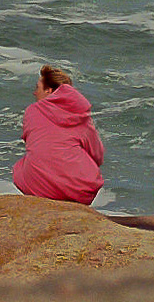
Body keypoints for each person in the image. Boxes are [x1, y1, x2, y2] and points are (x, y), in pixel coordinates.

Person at [12, 65, 105, 204]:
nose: (34, 93)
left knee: (18, 169)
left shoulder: (31, 111)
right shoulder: (80, 115)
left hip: (39, 186)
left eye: (37, 88)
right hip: (77, 191)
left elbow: (36, 146)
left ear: (49, 91)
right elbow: (97, 155)